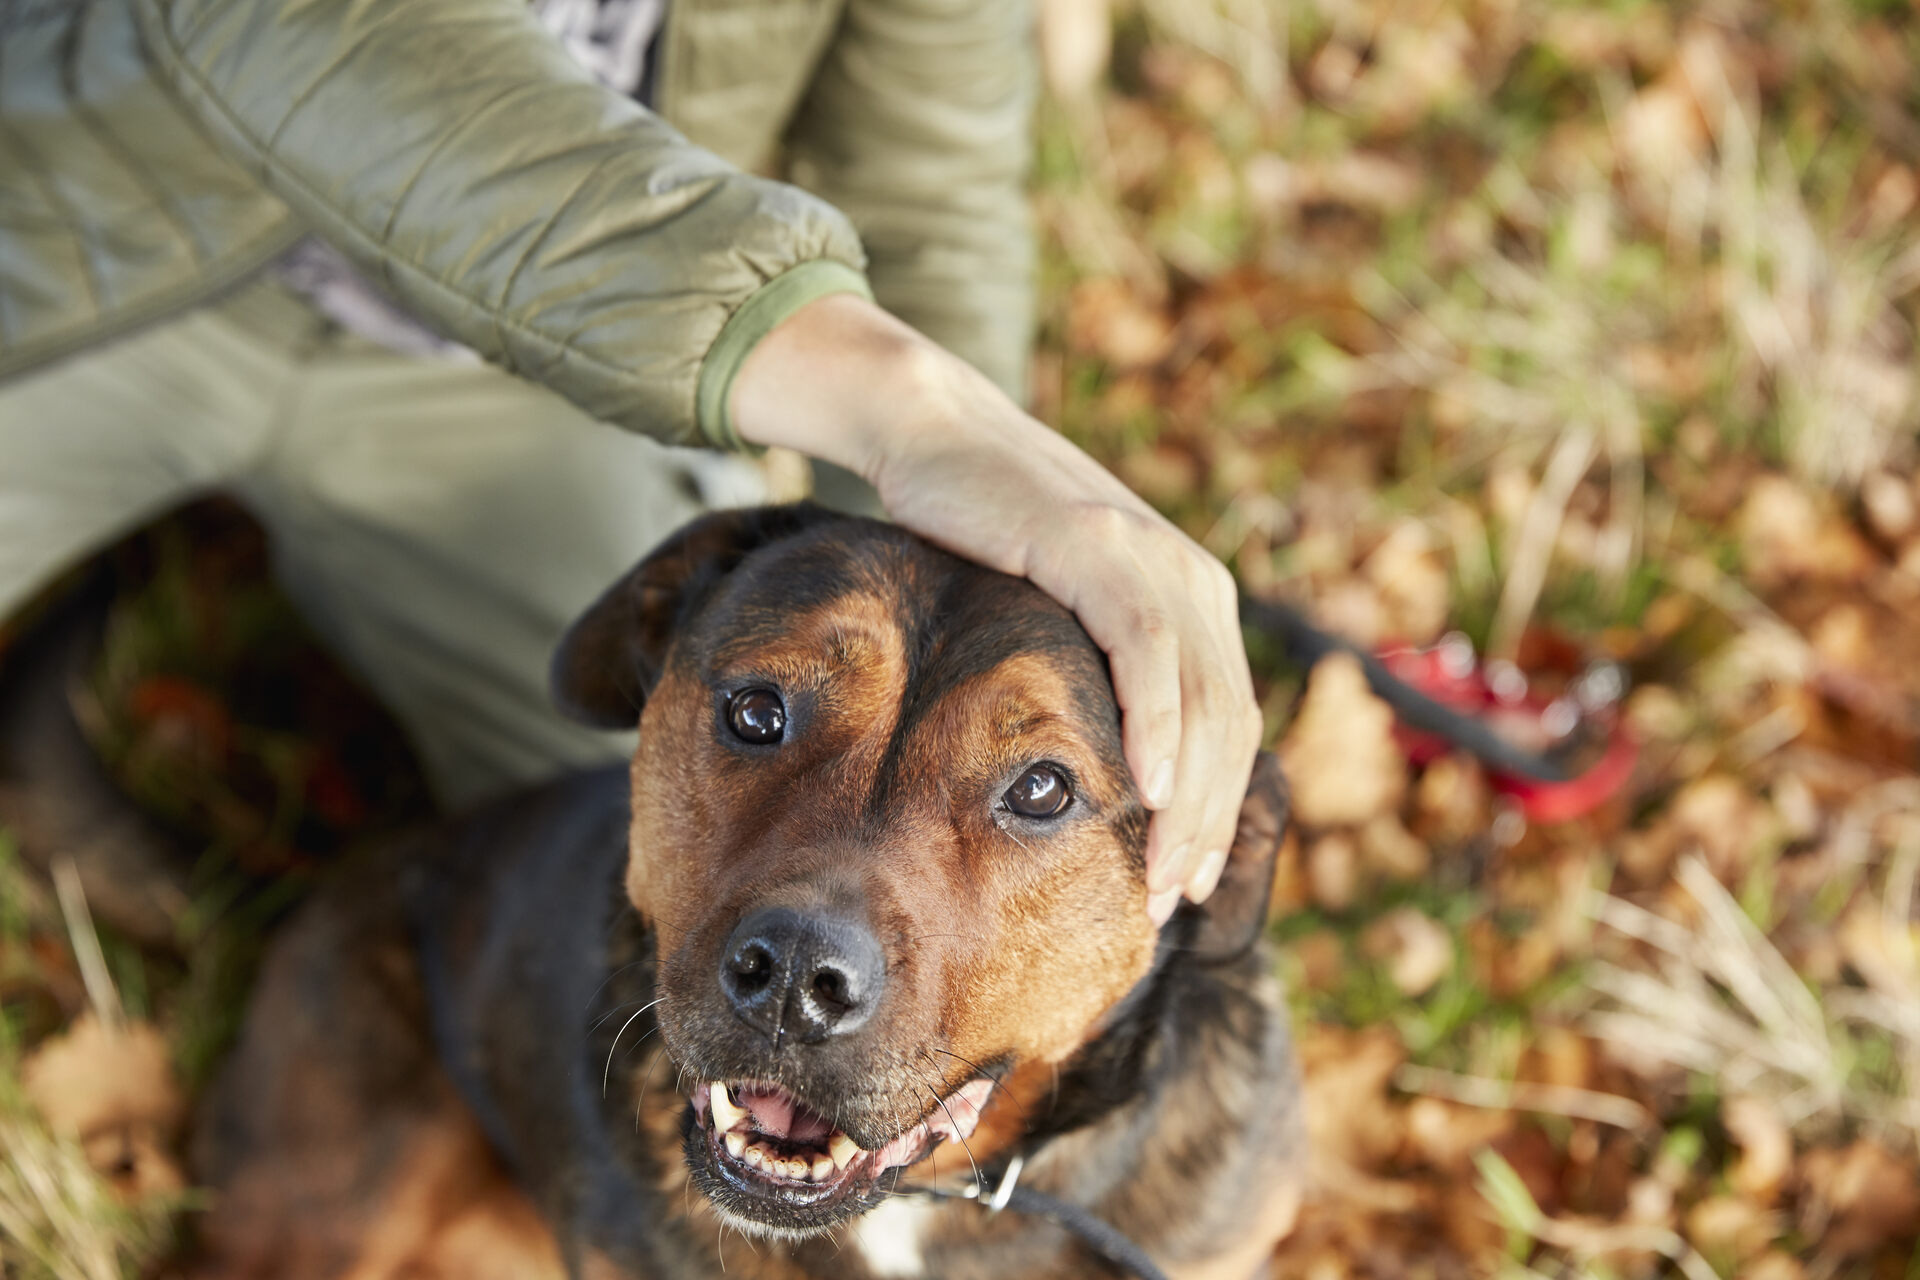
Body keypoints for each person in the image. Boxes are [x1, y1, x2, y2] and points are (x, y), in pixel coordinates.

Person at [0, 0, 1258, 922]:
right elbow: (315, 29)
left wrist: (950, 611)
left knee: (685, 835)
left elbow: (926, 197)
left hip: (517, 379)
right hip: (95, 244)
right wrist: (906, 407)